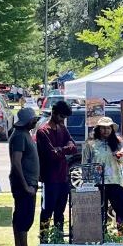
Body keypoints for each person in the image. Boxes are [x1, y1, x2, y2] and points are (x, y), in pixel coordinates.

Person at [35, 100, 75, 238]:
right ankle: (44, 239)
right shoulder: (43, 131)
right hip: (49, 178)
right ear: (53, 113)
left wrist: (60, 149)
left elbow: (73, 148)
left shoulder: (62, 128)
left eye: (64, 117)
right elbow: (51, 154)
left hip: (63, 177)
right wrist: (64, 149)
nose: (63, 120)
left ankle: (58, 237)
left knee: (60, 211)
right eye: (61, 117)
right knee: (47, 210)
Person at [7, 106, 40, 246]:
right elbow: (16, 162)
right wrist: (25, 185)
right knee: (24, 218)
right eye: (33, 120)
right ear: (27, 121)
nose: (35, 122)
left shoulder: (25, 134)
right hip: (24, 184)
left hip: (30, 182)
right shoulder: (19, 136)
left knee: (22, 217)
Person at [85, 116, 123, 232]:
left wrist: (119, 155)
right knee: (99, 211)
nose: (106, 131)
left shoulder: (118, 142)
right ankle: (101, 235)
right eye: (103, 128)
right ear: (98, 129)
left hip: (115, 180)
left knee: (120, 210)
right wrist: (86, 183)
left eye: (108, 128)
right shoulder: (90, 143)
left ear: (112, 129)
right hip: (98, 182)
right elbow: (85, 163)